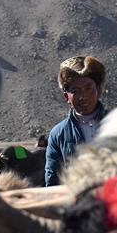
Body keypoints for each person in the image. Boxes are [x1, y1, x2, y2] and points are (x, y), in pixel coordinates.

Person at [45, 55, 108, 186]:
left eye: (88, 88)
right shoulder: (58, 134)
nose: (83, 96)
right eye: (75, 91)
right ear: (66, 97)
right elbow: (52, 179)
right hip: (79, 203)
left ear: (99, 91)